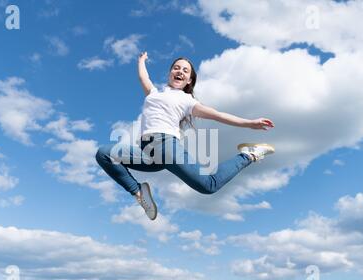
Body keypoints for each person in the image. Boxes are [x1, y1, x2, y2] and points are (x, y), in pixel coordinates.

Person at [96, 52, 275, 220]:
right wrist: (141, 60)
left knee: (208, 185)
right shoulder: (153, 94)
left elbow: (218, 115)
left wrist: (250, 123)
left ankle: (249, 154)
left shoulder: (187, 101)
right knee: (104, 154)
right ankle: (139, 192)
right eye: (176, 67)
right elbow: (144, 78)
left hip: (166, 146)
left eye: (185, 70)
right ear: (170, 73)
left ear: (189, 80)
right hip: (147, 154)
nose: (180, 71)